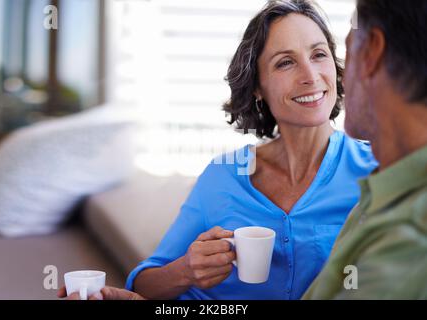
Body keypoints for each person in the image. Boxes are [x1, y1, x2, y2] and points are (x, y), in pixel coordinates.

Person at [124, 0, 377, 300]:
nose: (310, 75)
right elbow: (144, 285)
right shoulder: (222, 176)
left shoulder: (378, 169)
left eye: (319, 54)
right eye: (285, 62)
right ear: (258, 87)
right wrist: (186, 271)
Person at [303, 0, 427, 299]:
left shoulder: (409, 243)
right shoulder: (378, 197)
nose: (340, 78)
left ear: (371, 50)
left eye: (345, 51)